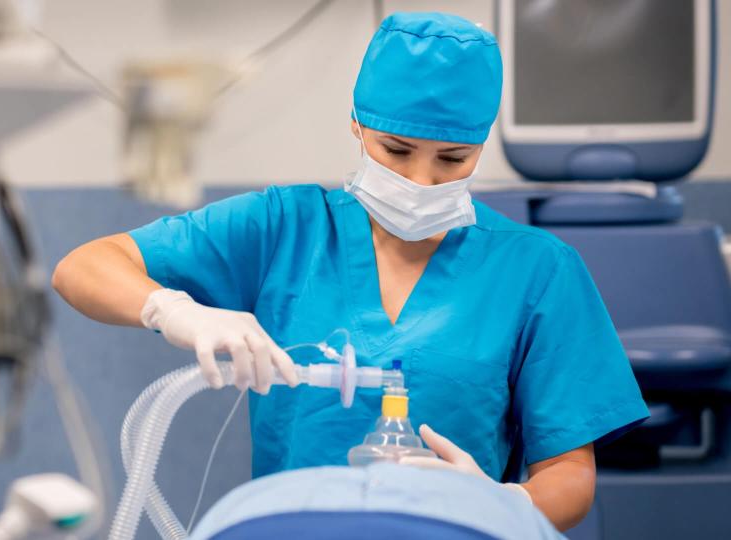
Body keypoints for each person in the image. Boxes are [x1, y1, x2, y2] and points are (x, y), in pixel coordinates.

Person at [52, 12, 649, 531]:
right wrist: (176, 311)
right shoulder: (282, 228)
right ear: (358, 125)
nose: (420, 180)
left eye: (451, 159)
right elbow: (83, 268)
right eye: (396, 150)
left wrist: (499, 501)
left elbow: (570, 474)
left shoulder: (536, 270)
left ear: (480, 144)